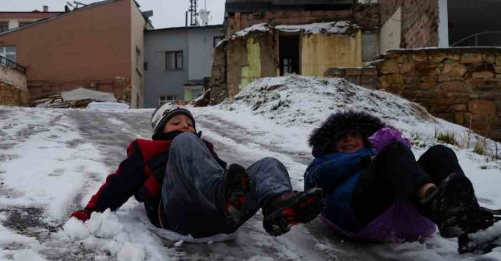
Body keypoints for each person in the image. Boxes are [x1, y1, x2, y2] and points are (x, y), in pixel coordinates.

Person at [69, 103, 325, 242]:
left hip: (220, 218)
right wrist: (91, 211)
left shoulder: (202, 146)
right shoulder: (148, 150)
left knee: (270, 163)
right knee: (186, 144)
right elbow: (118, 185)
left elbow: (232, 179)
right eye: (177, 123)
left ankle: (278, 206)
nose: (186, 127)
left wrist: (248, 191)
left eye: (190, 124)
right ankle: (221, 199)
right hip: (179, 215)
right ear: (160, 130)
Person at [304, 110, 501, 251]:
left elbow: (406, 169)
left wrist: (386, 153)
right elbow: (317, 179)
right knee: (394, 151)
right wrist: (364, 160)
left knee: (440, 153)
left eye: (354, 135)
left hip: (406, 216)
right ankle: (435, 201)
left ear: (365, 139)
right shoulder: (324, 160)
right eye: (342, 137)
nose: (349, 140)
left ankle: (470, 223)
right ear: (331, 143)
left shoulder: (382, 154)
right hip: (360, 215)